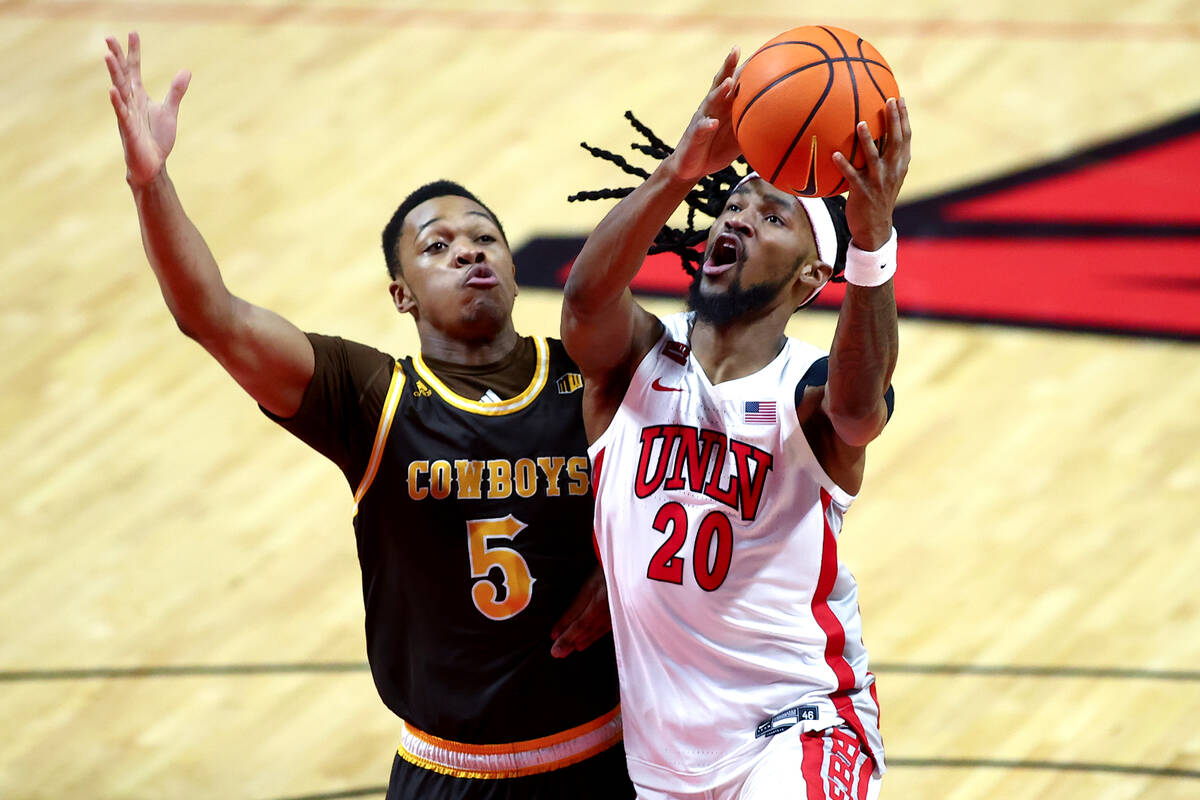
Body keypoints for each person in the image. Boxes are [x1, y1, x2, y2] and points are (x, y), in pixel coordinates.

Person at [103, 31, 634, 800]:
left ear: (517, 271)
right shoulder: (372, 396)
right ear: (401, 294)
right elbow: (212, 316)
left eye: (486, 238)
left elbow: (706, 486)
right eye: (439, 245)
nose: (469, 252)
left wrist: (624, 570)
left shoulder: (587, 374)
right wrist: (151, 184)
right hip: (450, 772)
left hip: (606, 758)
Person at [560, 47, 910, 800]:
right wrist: (677, 172)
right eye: (736, 204)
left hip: (802, 727)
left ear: (812, 275)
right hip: (665, 759)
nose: (741, 216)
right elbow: (586, 302)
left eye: (772, 215)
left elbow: (857, 412)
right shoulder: (636, 368)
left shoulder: (807, 389)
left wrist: (873, 242)